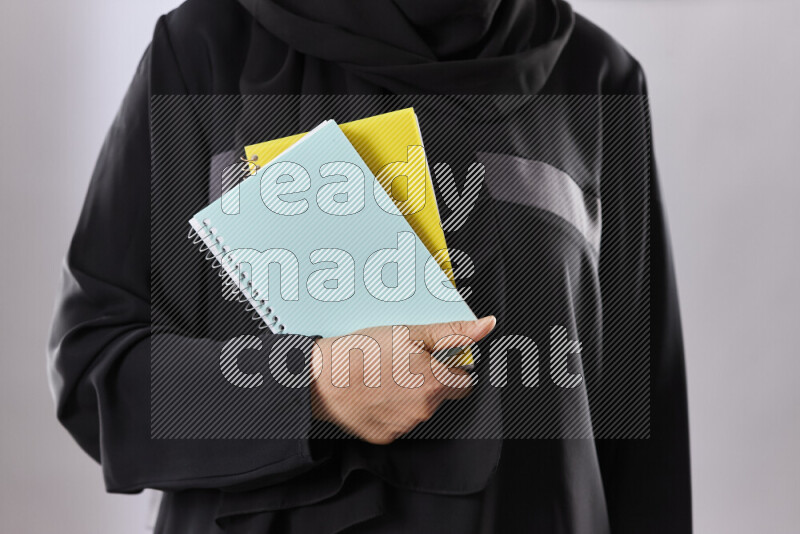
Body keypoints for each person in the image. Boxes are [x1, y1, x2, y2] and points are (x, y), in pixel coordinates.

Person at [48, 1, 691, 532]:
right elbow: (94, 374)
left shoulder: (599, 77)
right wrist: (312, 389)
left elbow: (643, 448)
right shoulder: (207, 47)